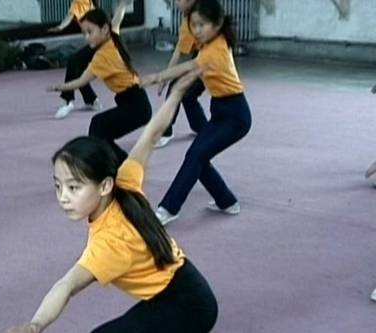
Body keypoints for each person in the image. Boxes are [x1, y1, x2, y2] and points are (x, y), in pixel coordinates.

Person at [7, 68, 217, 333]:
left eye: (74, 187)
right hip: (186, 290)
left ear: (105, 185)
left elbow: (67, 285)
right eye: (58, 186)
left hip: (187, 307)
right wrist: (175, 94)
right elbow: (151, 135)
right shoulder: (125, 183)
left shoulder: (110, 243)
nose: (63, 198)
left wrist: (35, 325)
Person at [142, 0, 252, 225]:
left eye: (202, 25)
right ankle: (227, 201)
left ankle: (168, 208)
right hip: (221, 111)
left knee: (196, 155)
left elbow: (189, 67)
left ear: (218, 24)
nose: (197, 30)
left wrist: (157, 77)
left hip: (236, 116)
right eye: (194, 25)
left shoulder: (216, 49)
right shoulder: (207, 42)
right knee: (198, 155)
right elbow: (189, 65)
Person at [48, 7, 151, 163]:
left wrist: (59, 87)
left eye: (90, 32)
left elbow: (81, 81)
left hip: (135, 106)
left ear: (104, 29)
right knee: (101, 132)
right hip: (137, 103)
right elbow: (116, 20)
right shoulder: (112, 38)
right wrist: (122, 4)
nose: (86, 38)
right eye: (84, 33)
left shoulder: (103, 57)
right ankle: (124, 167)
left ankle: (119, 167)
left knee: (98, 127)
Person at [155, 0, 208, 148]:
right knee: (188, 95)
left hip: (209, 61)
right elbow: (180, 49)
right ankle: (202, 127)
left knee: (177, 88)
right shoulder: (194, 17)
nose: (176, 3)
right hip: (204, 58)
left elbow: (179, 53)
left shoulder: (194, 20)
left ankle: (166, 132)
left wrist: (166, 77)